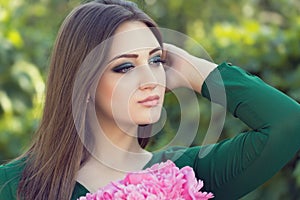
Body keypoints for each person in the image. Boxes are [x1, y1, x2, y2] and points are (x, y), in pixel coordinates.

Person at [0, 0, 299, 199]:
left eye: (156, 61)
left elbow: (288, 123)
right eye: (125, 66)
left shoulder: (190, 174)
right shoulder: (13, 185)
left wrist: (194, 70)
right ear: (84, 83)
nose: (150, 80)